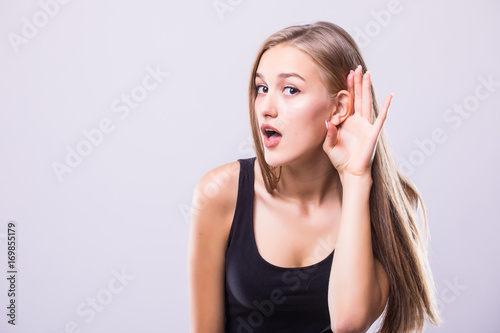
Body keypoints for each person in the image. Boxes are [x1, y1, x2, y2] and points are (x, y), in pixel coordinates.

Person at [187, 21, 442, 333]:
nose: (266, 108)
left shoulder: (391, 206)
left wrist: (356, 177)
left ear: (339, 107)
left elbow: (349, 321)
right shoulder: (220, 193)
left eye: (290, 90)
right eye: (262, 88)